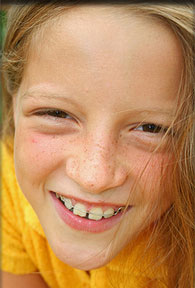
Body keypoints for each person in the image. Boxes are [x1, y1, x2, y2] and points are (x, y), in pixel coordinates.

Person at [1, 1, 194, 287]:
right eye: (56, 113)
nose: (94, 177)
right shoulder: (8, 190)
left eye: (151, 128)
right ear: (14, 101)